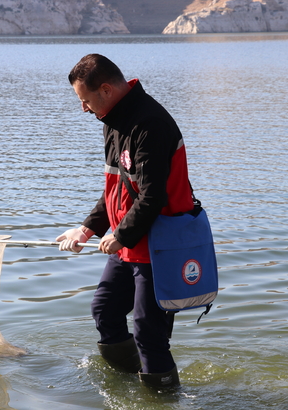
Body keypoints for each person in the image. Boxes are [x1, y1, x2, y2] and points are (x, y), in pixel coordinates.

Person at [56, 54, 195, 389]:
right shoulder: (113, 120)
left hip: (158, 242)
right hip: (128, 243)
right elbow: (116, 188)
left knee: (148, 329)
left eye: (85, 100)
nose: (83, 108)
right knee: (104, 310)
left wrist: (121, 235)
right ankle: (134, 382)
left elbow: (152, 197)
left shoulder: (150, 123)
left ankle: (162, 396)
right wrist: (88, 228)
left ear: (105, 89)